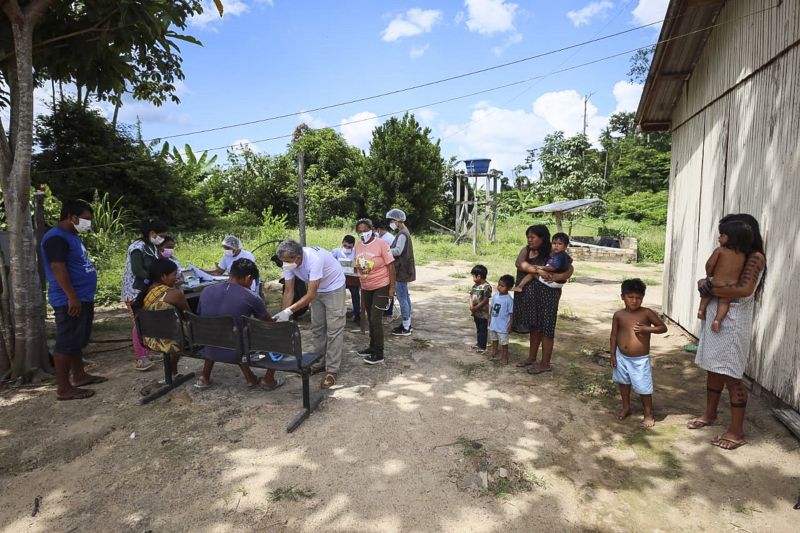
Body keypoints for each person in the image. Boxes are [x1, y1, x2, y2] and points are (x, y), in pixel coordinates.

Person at [687, 214, 767, 451]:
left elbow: (745, 289)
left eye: (725, 233)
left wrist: (709, 285)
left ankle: (737, 431)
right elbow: (713, 275)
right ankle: (709, 415)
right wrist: (707, 282)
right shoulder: (733, 252)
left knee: (732, 375)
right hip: (717, 318)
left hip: (732, 323)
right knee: (713, 368)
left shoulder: (755, 257)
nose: (721, 238)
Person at [41, 200, 105, 400]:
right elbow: (58, 268)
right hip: (69, 300)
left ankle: (79, 375)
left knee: (77, 341)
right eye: (85, 219)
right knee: (66, 343)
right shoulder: (56, 238)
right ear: (71, 216)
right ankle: (63, 388)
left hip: (82, 297)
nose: (88, 223)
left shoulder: (72, 236)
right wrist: (72, 296)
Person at [195, 258, 284, 391]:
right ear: (248, 277)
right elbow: (268, 324)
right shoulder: (251, 297)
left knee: (221, 329)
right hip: (237, 350)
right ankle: (268, 379)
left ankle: (205, 377)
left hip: (208, 346)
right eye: (252, 280)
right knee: (280, 334)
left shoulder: (206, 291)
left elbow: (202, 314)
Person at [275, 239, 346, 388]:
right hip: (316, 289)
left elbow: (311, 294)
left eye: (287, 261)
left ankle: (332, 370)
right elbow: (289, 290)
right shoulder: (289, 262)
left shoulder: (313, 259)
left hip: (333, 287)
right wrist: (284, 315)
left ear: (298, 258)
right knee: (317, 328)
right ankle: (319, 362)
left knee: (334, 329)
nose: (285, 264)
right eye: (283, 261)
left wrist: (289, 310)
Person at [513, 225, 574, 375]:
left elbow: (569, 266)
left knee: (546, 328)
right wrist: (537, 270)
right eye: (528, 237)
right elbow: (519, 263)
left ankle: (545, 363)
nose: (530, 240)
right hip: (531, 296)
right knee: (535, 327)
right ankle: (531, 358)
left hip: (548, 296)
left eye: (533, 237)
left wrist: (560, 276)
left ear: (542, 238)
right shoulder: (526, 250)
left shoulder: (553, 251)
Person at [610, 279, 668, 428]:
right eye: (631, 297)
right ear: (622, 296)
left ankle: (648, 414)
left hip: (639, 359)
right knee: (623, 383)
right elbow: (614, 335)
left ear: (643, 297)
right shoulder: (619, 315)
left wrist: (647, 329)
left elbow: (662, 328)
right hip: (621, 356)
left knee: (643, 387)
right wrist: (613, 354)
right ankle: (626, 407)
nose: (634, 301)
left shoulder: (646, 313)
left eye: (638, 298)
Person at [121, 219, 169, 371]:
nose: (163, 239)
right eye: (161, 235)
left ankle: (147, 350)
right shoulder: (137, 248)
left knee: (150, 320)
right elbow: (137, 270)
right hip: (135, 291)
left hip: (147, 289)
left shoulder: (151, 247)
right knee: (139, 323)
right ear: (152, 233)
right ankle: (141, 358)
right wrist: (155, 278)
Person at [134, 258, 190, 378]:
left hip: (150, 340)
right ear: (163, 276)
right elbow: (189, 316)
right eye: (174, 274)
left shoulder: (144, 294)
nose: (176, 278)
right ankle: (175, 371)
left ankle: (172, 372)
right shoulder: (174, 294)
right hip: (173, 341)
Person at [697, 220, 754, 332]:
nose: (719, 238)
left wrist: (709, 275)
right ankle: (717, 320)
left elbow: (709, 264)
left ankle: (701, 310)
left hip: (717, 283)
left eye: (722, 235)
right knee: (724, 302)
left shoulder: (720, 251)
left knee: (706, 295)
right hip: (731, 287)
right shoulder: (744, 255)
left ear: (732, 238)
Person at [353, 218, 396, 365]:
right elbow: (356, 264)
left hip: (381, 285)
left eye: (365, 230)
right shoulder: (358, 245)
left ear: (372, 230)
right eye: (360, 231)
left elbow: (391, 266)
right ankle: (372, 347)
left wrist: (392, 287)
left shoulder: (381, 244)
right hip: (366, 286)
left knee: (376, 319)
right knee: (370, 317)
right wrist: (359, 267)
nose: (363, 233)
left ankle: (379, 353)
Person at [386, 208, 415, 336]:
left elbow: (398, 251)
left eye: (392, 220)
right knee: (405, 297)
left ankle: (406, 327)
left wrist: (385, 250)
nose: (391, 223)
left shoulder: (402, 234)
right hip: (404, 269)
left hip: (401, 270)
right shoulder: (403, 232)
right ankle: (407, 324)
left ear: (398, 220)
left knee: (402, 298)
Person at [331, 235, 361, 323]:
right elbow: (330, 262)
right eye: (345, 246)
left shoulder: (356, 253)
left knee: (355, 293)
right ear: (342, 243)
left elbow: (360, 264)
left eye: (349, 247)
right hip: (338, 278)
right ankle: (337, 313)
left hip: (352, 279)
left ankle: (357, 314)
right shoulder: (336, 251)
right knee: (336, 294)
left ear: (353, 246)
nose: (347, 248)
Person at [488, 275, 515, 365]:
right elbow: (492, 308)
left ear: (509, 288)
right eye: (499, 284)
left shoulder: (509, 300)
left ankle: (504, 356)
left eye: (502, 286)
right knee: (494, 340)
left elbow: (511, 314)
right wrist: (489, 318)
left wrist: (510, 325)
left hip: (503, 326)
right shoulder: (495, 296)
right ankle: (494, 351)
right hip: (494, 324)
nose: (499, 287)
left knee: (504, 343)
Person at [374, 220, 396, 318]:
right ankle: (381, 309)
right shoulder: (379, 237)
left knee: (388, 289)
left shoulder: (389, 238)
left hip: (388, 266)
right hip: (380, 268)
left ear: (378, 229)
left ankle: (388, 311)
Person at [469, 264, 492, 352]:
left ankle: (482, 346)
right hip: (475, 312)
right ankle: (479, 343)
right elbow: (470, 296)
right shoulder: (475, 286)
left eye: (473, 276)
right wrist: (471, 306)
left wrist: (476, 308)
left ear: (478, 276)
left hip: (483, 314)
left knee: (483, 329)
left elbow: (485, 300)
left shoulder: (486, 287)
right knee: (478, 328)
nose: (473, 278)